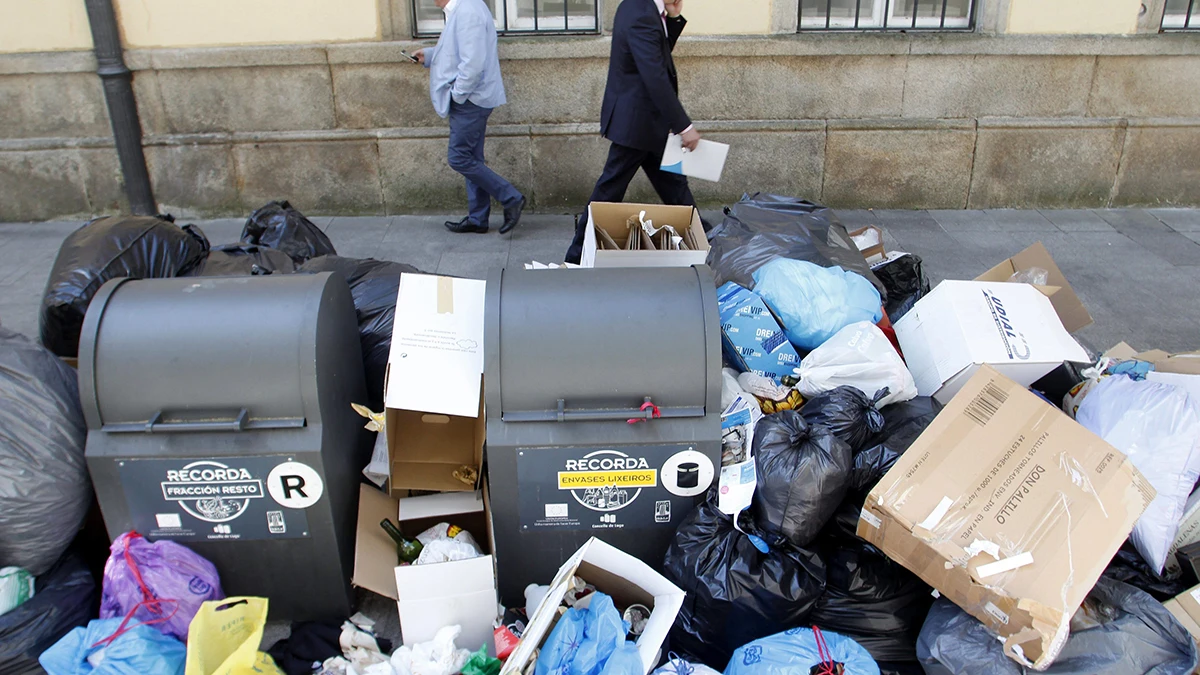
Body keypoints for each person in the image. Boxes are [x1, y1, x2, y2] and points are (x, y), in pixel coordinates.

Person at [564, 0, 701, 264]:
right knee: (609, 192)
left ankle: (702, 240)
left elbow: (656, 56)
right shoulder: (641, 13)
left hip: (647, 122)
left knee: (675, 188)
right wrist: (684, 126)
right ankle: (575, 256)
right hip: (637, 123)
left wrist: (672, 18)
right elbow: (655, 76)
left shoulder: (638, 7)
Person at [414, 0, 525, 235]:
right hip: (472, 98)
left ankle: (511, 197)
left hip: (471, 100)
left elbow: (473, 64)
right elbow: (460, 51)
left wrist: (458, 95)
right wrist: (432, 56)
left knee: (459, 158)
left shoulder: (467, 10)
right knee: (471, 158)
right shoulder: (464, 8)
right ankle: (478, 218)